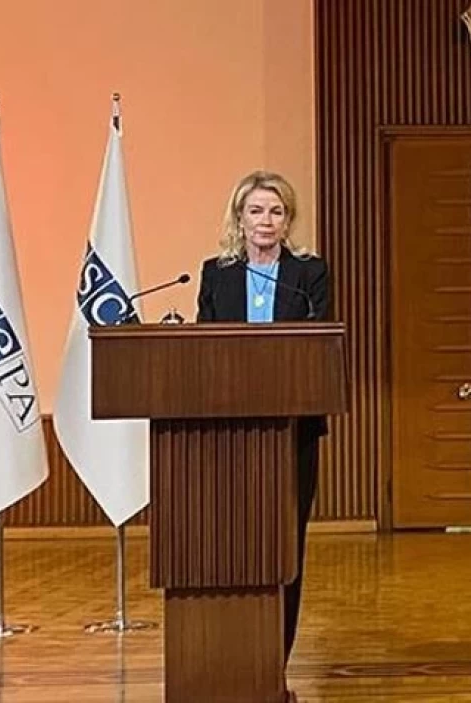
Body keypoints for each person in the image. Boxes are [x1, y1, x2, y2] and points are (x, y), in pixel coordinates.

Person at [195, 170, 330, 665]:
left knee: (286, 543)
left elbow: (318, 346)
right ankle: (235, 655)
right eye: (256, 210)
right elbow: (203, 347)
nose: (266, 221)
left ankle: (277, 658)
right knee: (233, 541)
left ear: (288, 219)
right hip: (229, 430)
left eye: (276, 211)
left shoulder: (309, 274)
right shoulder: (216, 274)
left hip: (292, 429)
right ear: (240, 218)